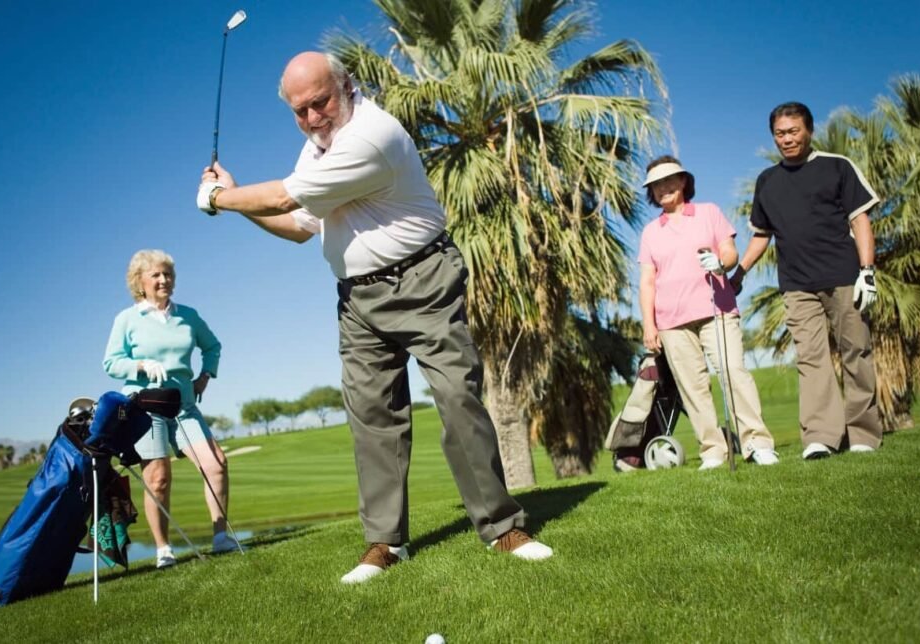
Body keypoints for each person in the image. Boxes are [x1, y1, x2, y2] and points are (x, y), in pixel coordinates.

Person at [195, 51, 552, 584]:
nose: (314, 117)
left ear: (348, 87)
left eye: (321, 102)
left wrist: (220, 198)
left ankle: (503, 527)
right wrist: (235, 202)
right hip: (358, 300)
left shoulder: (372, 135)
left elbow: (282, 196)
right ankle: (386, 543)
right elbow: (296, 224)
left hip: (424, 279)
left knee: (458, 398)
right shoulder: (316, 152)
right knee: (372, 418)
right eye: (301, 111)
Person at [731, 101, 880, 459]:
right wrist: (738, 275)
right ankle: (821, 437)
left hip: (844, 277)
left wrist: (867, 272)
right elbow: (761, 236)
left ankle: (863, 435)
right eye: (780, 133)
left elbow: (860, 221)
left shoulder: (836, 167)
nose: (787, 139)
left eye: (793, 131)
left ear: (809, 131)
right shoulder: (767, 181)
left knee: (855, 352)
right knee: (811, 359)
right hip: (797, 285)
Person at [638, 156, 779, 470]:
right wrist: (649, 324)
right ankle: (713, 451)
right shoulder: (650, 232)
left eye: (669, 180)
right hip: (671, 320)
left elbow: (729, 252)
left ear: (684, 181)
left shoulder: (709, 212)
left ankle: (757, 443)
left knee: (733, 373)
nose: (664, 188)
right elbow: (647, 281)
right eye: (657, 184)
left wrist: (722, 264)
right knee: (692, 386)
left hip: (717, 309)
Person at [103, 249, 237, 568]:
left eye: (169, 274)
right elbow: (110, 362)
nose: (164, 280)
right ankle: (164, 549)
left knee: (216, 464)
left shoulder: (187, 315)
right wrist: (140, 365)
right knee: (159, 478)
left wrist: (205, 376)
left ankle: (221, 537)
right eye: (156, 275)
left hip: (184, 407)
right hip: (146, 408)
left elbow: (212, 346)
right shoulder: (127, 319)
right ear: (140, 282)